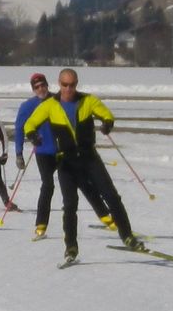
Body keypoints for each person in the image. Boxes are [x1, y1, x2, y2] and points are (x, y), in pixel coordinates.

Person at [21, 68, 143, 266]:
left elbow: (106, 113)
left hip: (89, 158)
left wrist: (107, 123)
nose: (69, 89)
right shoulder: (50, 105)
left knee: (111, 196)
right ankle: (71, 247)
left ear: (76, 84)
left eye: (72, 85)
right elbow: (30, 123)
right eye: (65, 85)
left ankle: (127, 236)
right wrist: (33, 135)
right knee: (70, 205)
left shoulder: (88, 100)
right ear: (59, 84)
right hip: (66, 162)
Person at [13, 71, 109, 238]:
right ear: (33, 89)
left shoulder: (58, 100)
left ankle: (105, 216)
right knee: (47, 186)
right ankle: (41, 224)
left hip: (63, 151)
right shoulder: (27, 106)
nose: (41, 89)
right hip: (43, 153)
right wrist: (18, 153)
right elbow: (20, 129)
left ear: (47, 85)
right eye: (37, 87)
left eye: (43, 85)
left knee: (83, 181)